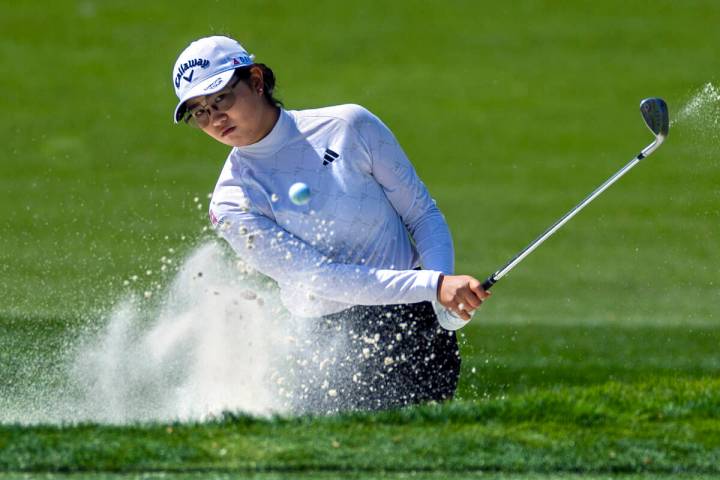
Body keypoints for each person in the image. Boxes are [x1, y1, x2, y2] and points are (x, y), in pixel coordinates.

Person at [171, 35, 491, 413]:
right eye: (199, 112)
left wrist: (440, 302)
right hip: (328, 342)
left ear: (256, 80)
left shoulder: (349, 126)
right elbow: (317, 277)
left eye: (221, 98)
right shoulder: (231, 202)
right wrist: (435, 285)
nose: (214, 118)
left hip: (415, 318)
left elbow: (422, 213)